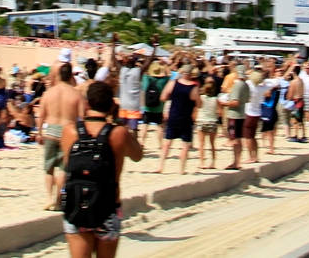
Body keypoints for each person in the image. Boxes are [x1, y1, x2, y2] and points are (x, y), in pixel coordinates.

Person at [57, 81, 144, 257]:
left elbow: (67, 164)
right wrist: (119, 122)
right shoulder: (118, 133)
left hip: (76, 203)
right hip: (108, 206)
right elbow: (138, 155)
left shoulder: (69, 131)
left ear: (87, 103)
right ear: (112, 105)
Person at [37, 61, 86, 210]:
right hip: (68, 132)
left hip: (51, 131)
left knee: (49, 167)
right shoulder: (76, 94)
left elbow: (41, 115)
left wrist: (39, 132)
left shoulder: (48, 93)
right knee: (63, 169)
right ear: (71, 76)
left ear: (58, 75)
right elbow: (82, 118)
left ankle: (48, 198)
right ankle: (58, 200)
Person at [157, 63, 198, 174]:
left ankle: (161, 166)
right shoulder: (193, 88)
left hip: (173, 115)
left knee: (167, 143)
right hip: (186, 118)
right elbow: (199, 103)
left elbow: (163, 97)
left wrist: (174, 98)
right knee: (185, 145)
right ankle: (181, 169)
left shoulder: (172, 83)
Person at [219, 69, 249, 170]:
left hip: (234, 115)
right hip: (241, 114)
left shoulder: (238, 85)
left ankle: (236, 162)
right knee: (238, 139)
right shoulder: (246, 85)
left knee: (234, 139)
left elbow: (235, 102)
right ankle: (237, 161)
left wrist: (224, 103)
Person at [194, 78, 221, 169]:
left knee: (201, 144)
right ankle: (213, 162)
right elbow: (219, 112)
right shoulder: (216, 99)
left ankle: (202, 162)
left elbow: (198, 107)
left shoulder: (201, 98)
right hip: (212, 121)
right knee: (212, 143)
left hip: (202, 121)